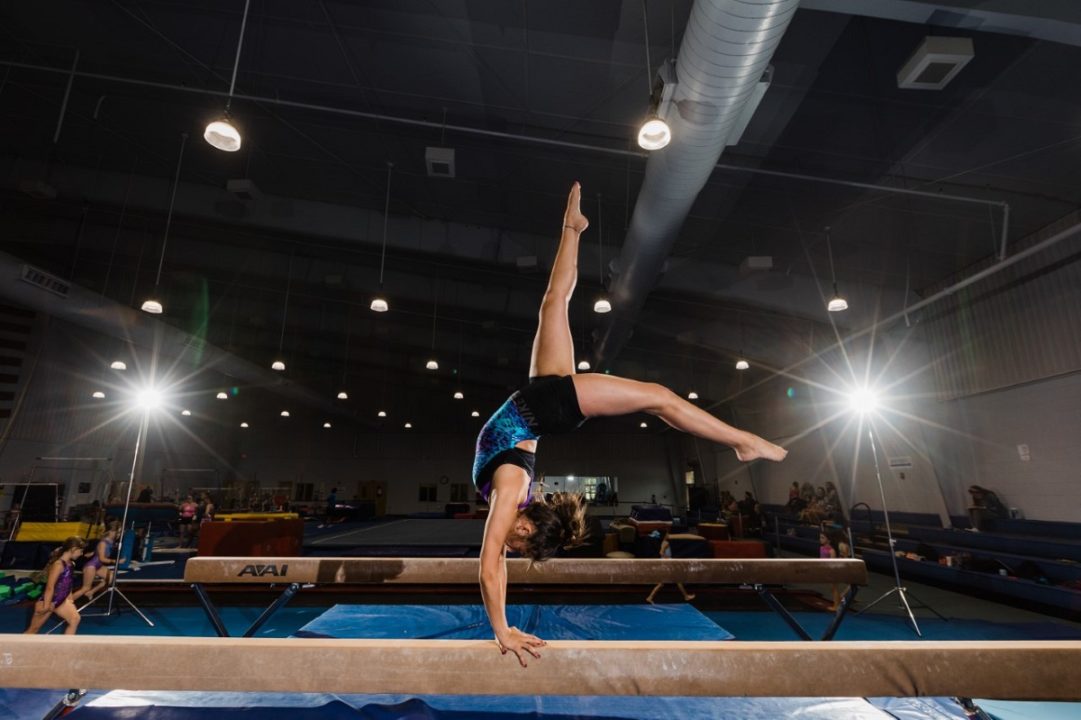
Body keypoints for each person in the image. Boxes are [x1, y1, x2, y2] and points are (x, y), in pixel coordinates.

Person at [473, 183, 787, 666]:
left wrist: (502, 627)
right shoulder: (512, 492)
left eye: (515, 544)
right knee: (655, 395)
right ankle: (742, 441)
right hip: (547, 406)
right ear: (528, 523)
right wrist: (504, 627)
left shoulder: (510, 493)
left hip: (542, 404)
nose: (510, 546)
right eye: (520, 543)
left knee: (556, 304)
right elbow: (494, 563)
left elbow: (492, 564)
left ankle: (571, 228)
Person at [24, 536, 86, 635]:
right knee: (33, 630)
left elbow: (68, 582)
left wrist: (69, 597)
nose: (81, 554)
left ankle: (66, 648)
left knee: (75, 619)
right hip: (48, 601)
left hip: (61, 600)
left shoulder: (71, 564)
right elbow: (50, 587)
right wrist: (47, 606)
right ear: (73, 549)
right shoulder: (58, 565)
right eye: (80, 551)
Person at [645, 532, 696, 605]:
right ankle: (686, 596)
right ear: (665, 536)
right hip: (667, 565)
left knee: (666, 583)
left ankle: (650, 597)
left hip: (667, 564)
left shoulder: (665, 542)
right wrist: (668, 560)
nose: (669, 536)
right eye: (667, 535)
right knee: (674, 581)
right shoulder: (665, 542)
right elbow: (661, 553)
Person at [74, 522, 119, 602]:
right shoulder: (103, 542)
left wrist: (93, 552)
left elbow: (99, 552)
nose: (119, 534)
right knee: (85, 588)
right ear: (112, 532)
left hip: (98, 566)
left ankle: (91, 592)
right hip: (91, 566)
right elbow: (102, 558)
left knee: (111, 577)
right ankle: (67, 601)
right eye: (118, 532)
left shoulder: (110, 542)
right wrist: (115, 561)